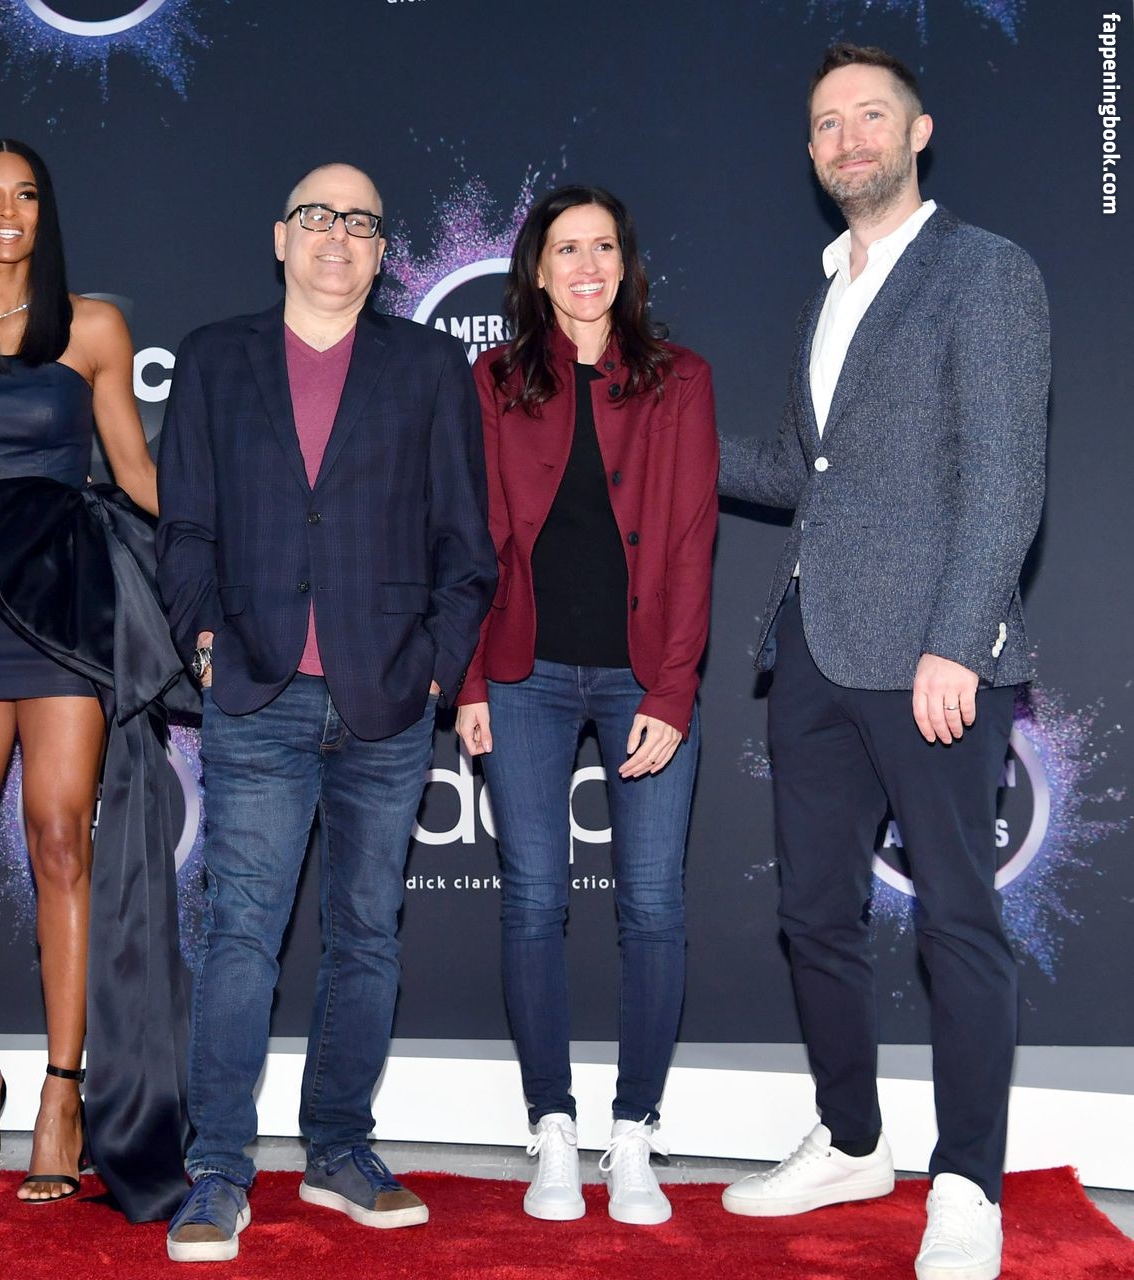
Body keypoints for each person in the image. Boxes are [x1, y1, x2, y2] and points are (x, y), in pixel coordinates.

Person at [715, 45, 1048, 1280]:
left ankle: (968, 1184)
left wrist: (957, 638)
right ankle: (853, 1139)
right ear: (811, 152)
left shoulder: (984, 270)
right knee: (814, 912)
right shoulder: (831, 289)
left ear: (918, 133)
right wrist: (656, 427)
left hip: (933, 656)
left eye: (869, 116)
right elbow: (808, 471)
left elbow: (1007, 472)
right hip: (812, 645)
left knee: (957, 915)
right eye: (825, 123)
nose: (846, 137)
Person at [156, 163, 498, 1263]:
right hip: (255, 689)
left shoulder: (430, 367)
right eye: (316, 216)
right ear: (280, 237)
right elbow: (184, 526)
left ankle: (340, 1147)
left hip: (388, 695)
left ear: (382, 251)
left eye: (359, 221)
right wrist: (203, 634)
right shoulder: (214, 358)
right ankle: (218, 1165)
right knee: (240, 936)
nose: (336, 235)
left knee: (366, 936)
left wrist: (437, 666)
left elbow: (466, 542)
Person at [0, 138, 183, 1214]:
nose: (6, 211)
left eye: (24, 194)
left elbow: (135, 470)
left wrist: (223, 557)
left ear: (44, 211)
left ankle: (64, 1095)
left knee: (61, 838)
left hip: (62, 606)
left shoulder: (92, 327)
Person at [453, 185, 717, 1226]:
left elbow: (691, 540)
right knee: (532, 900)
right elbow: (474, 538)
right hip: (523, 671)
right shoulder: (495, 380)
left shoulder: (680, 378)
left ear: (626, 261)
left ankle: (635, 1130)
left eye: (604, 245)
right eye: (567, 247)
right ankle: (552, 1126)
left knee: (653, 905)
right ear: (537, 266)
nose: (588, 265)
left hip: (642, 673)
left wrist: (675, 687)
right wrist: (471, 678)